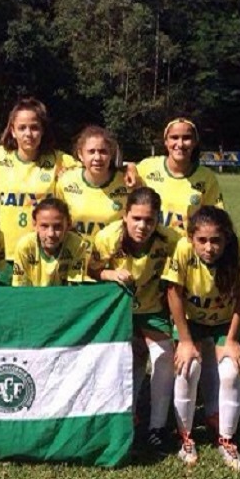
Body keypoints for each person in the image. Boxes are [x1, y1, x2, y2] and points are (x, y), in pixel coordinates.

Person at [88, 187, 181, 452]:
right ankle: (124, 418)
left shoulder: (171, 240)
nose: (142, 226)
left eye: (149, 220)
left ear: (158, 219)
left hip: (153, 309)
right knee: (127, 362)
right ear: (125, 216)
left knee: (163, 357)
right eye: (136, 218)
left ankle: (157, 428)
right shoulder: (108, 237)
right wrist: (110, 274)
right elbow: (92, 270)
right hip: (121, 311)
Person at [163, 206, 240, 469]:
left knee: (231, 373)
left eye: (216, 240)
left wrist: (232, 339)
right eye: (202, 240)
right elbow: (173, 292)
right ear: (191, 238)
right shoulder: (182, 249)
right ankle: (185, 437)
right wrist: (185, 341)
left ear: (226, 239)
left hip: (224, 324)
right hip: (191, 322)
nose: (209, 247)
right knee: (187, 369)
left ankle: (227, 439)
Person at [0, 98, 76, 283]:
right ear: (12, 131)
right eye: (22, 128)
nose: (28, 134)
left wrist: (129, 169)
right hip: (7, 254)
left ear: (43, 130)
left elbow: (94, 169)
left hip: (45, 253)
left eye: (34, 127)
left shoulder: (59, 160)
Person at [127, 117, 224, 234]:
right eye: (174, 137)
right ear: (166, 141)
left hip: (186, 244)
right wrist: (130, 168)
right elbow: (117, 170)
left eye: (186, 138)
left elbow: (216, 218)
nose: (180, 144)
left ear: (195, 142)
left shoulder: (207, 178)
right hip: (153, 243)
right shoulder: (148, 167)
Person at [55, 125, 129, 240]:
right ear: (80, 155)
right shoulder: (66, 182)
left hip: (115, 251)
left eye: (103, 152)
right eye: (91, 152)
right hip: (77, 251)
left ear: (111, 154)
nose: (97, 157)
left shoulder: (127, 182)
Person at [11, 197, 90, 287]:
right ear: (35, 224)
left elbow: (74, 287)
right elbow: (20, 287)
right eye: (44, 226)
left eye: (57, 226)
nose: (51, 234)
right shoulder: (25, 246)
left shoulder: (77, 245)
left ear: (68, 224)